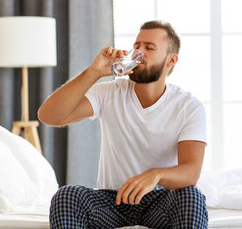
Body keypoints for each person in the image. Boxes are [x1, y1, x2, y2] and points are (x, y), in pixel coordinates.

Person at [38, 20, 208, 229]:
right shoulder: (109, 92)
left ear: (171, 60)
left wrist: (155, 175)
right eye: (137, 46)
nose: (139, 52)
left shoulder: (188, 106)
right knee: (67, 195)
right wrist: (94, 72)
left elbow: (191, 172)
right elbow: (49, 116)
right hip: (112, 201)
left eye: (149, 48)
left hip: (158, 200)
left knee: (191, 196)